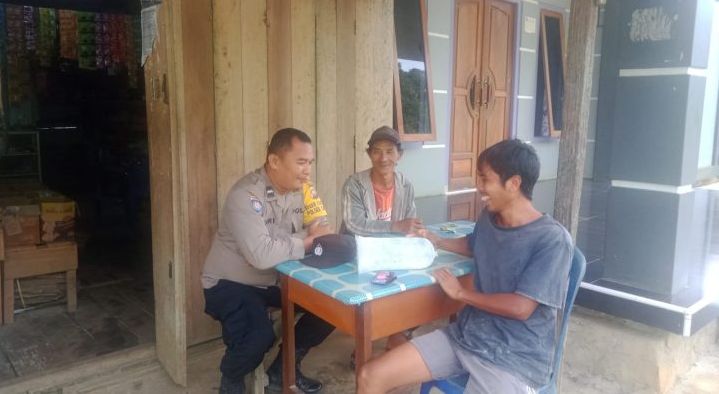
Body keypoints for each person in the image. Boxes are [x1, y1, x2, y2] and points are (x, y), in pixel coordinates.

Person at [357, 139, 574, 394]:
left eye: (485, 179)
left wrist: (461, 293)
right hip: (466, 337)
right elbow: (473, 244)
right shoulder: (490, 218)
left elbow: (521, 307)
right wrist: (436, 240)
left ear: (514, 183)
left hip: (514, 357)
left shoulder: (552, 240)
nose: (478, 186)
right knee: (370, 376)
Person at [202, 128, 335, 394]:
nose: (307, 171)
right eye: (301, 162)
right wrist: (306, 241)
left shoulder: (305, 190)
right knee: (257, 337)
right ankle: (232, 378)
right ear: (274, 161)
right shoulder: (246, 195)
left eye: (310, 163)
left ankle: (282, 370)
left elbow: (325, 233)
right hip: (232, 283)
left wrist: (284, 245)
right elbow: (262, 255)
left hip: (277, 278)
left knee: (332, 307)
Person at [340, 125, 423, 351]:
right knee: (370, 299)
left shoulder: (405, 184)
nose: (383, 158)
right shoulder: (355, 184)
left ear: (399, 154)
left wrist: (416, 231)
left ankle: (397, 333)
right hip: (358, 253)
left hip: (391, 250)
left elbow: (410, 221)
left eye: (389, 151)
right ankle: (365, 345)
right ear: (369, 154)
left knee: (422, 289)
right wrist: (395, 226)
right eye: (377, 151)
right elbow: (354, 224)